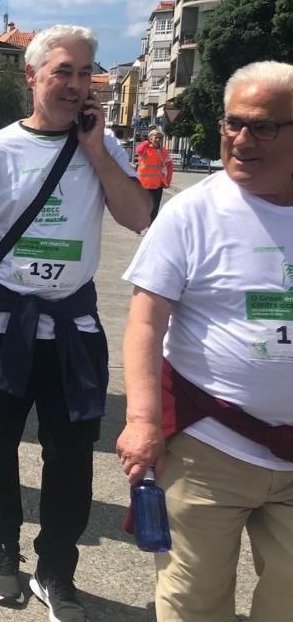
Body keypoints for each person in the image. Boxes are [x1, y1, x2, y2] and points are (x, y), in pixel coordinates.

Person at [0, 24, 150, 622]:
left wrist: (96, 149)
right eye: (63, 71)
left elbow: (138, 216)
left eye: (86, 73)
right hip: (1, 324)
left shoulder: (102, 146)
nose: (76, 84)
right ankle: (3, 548)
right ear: (31, 76)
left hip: (71, 328)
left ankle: (56, 568)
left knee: (71, 457)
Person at [117, 61, 293, 622]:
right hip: (208, 445)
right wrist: (143, 421)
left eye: (262, 126)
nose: (240, 140)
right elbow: (145, 322)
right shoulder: (193, 212)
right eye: (232, 123)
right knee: (194, 600)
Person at [135, 127, 173, 222]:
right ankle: (141, 223)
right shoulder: (145, 150)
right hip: (144, 183)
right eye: (155, 137)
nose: (157, 140)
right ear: (150, 138)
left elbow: (169, 166)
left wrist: (168, 180)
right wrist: (147, 142)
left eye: (159, 138)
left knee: (155, 207)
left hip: (157, 184)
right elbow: (138, 150)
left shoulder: (164, 151)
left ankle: (150, 226)